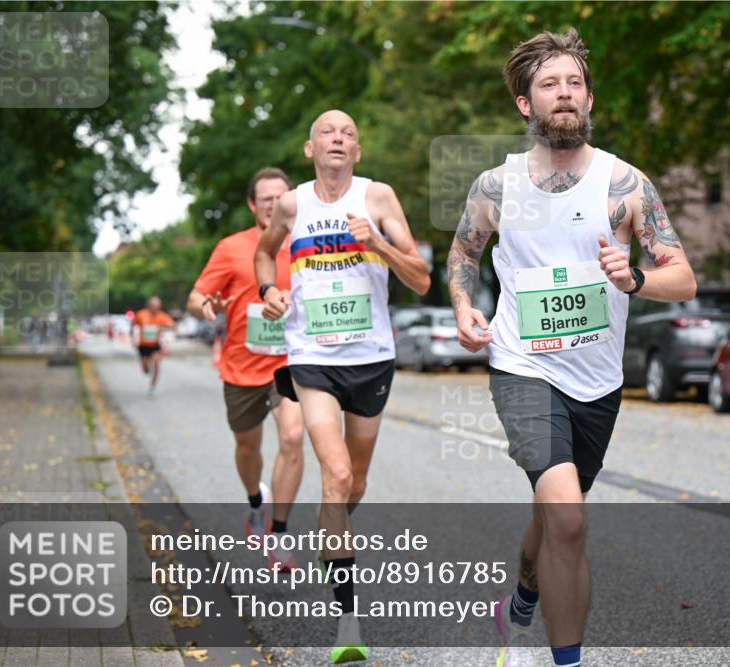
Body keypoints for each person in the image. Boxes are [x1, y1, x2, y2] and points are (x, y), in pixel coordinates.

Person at [447, 30, 696, 667]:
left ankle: (524, 595)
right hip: (522, 366)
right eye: (550, 84)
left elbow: (683, 278)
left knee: (559, 512)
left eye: (574, 83)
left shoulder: (625, 185)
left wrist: (634, 277)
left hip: (597, 379)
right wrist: (463, 306)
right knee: (568, 516)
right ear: (526, 105)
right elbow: (463, 255)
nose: (565, 94)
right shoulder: (495, 187)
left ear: (589, 98)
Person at [256, 109, 430, 664]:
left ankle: (334, 515)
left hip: (372, 359)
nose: (339, 139)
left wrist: (377, 243)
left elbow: (421, 279)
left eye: (349, 134)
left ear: (358, 152)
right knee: (334, 473)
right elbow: (265, 251)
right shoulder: (292, 204)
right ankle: (348, 622)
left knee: (353, 484)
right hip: (312, 357)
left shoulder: (378, 198)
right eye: (328, 132)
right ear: (310, 149)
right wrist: (269, 289)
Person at [188, 167, 306, 572]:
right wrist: (205, 307)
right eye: (266, 199)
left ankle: (279, 533)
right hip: (241, 366)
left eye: (281, 196)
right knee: (247, 447)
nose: (274, 204)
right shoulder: (231, 247)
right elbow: (196, 296)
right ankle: (255, 504)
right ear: (253, 205)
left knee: (293, 436)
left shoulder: (309, 243)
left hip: (292, 363)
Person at [131, 296, 175, 397]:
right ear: (149, 306)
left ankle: (152, 387)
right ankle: (146, 366)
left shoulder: (162, 316)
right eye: (153, 306)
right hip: (143, 345)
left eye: (158, 306)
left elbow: (172, 325)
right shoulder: (141, 314)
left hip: (156, 345)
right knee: (145, 369)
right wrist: (133, 339)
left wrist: (168, 329)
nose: (156, 308)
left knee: (156, 364)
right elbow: (134, 326)